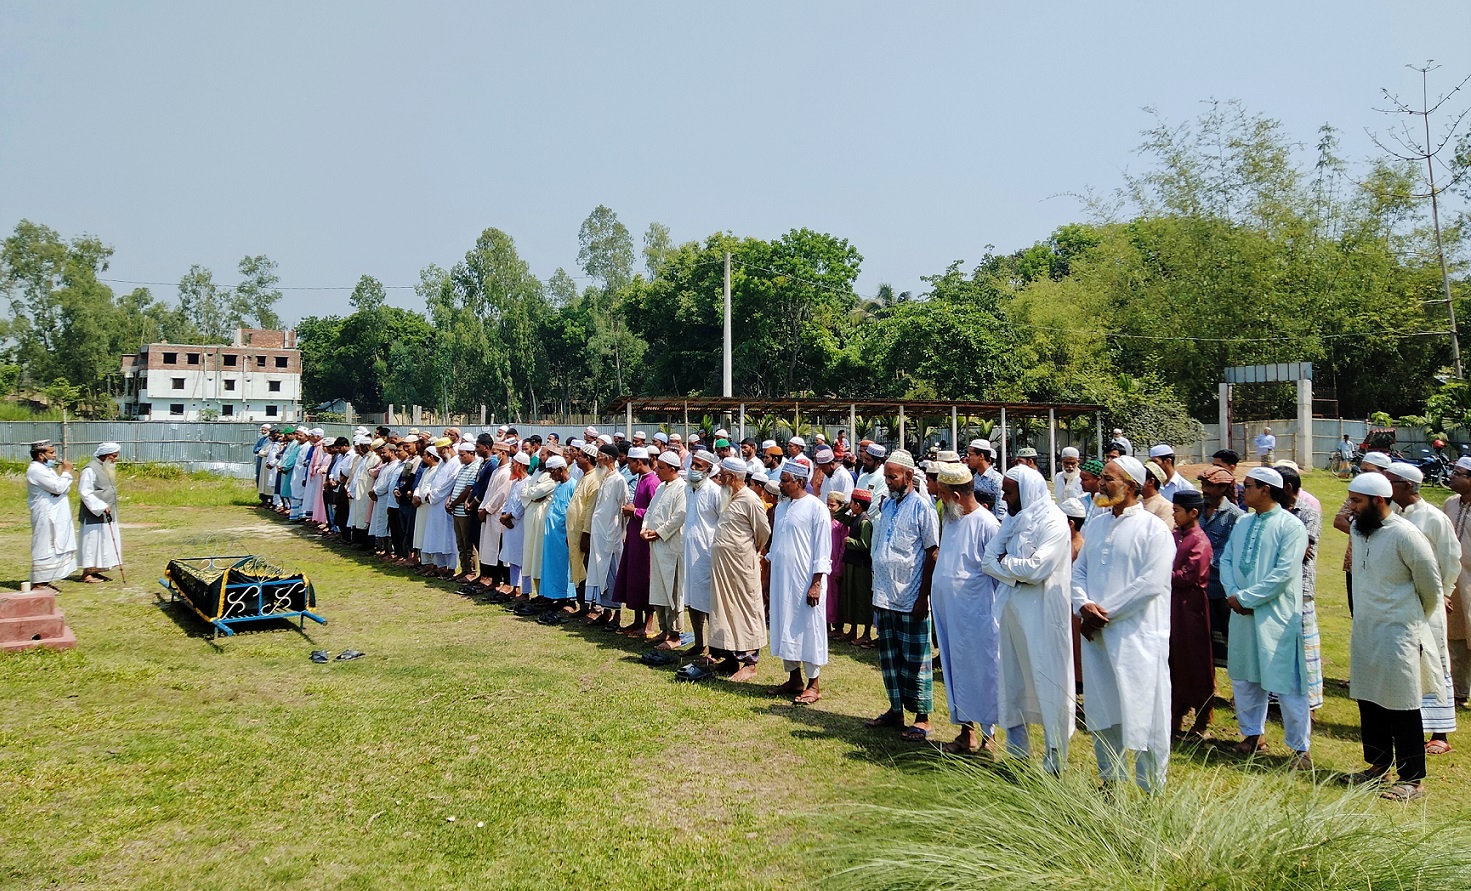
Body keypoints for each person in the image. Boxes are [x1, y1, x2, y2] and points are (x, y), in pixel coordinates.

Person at [1071, 456, 1174, 792]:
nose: (1100, 484)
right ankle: (1110, 782)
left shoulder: (1153, 529)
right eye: (1101, 477)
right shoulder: (1097, 523)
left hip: (1137, 638)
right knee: (1103, 711)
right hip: (1097, 636)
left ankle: (1151, 790)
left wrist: (1101, 614)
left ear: (1131, 486)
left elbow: (1150, 585)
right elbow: (1079, 571)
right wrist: (1082, 605)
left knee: (1144, 713)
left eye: (1109, 479)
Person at [1341, 472, 1444, 801]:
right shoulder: (1359, 530)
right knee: (1369, 699)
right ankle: (1377, 766)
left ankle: (1413, 780)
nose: (1350, 508)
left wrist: (1409, 621)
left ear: (1380, 501)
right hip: (1367, 629)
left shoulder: (1406, 535)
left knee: (1402, 705)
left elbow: (1431, 588)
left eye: (1357, 501)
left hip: (1399, 632)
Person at [984, 464, 1076, 772]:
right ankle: (1018, 755)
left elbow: (1038, 569)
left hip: (1042, 616)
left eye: (1009, 492)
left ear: (1026, 491)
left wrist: (1007, 563)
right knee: (1012, 682)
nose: (1004, 497)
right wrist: (1016, 571)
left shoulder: (1054, 521)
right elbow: (987, 560)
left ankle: (1054, 760)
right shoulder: (1012, 520)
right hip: (1011, 612)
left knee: (1047, 683)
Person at [1219, 466, 1312, 768]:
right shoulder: (1244, 522)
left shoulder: (1291, 526)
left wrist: (1246, 598)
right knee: (1245, 676)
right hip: (1241, 612)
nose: (1241, 491)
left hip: (1276, 615)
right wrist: (1234, 594)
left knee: (1285, 680)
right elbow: (1227, 559)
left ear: (1266, 490)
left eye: (1247, 486)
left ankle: (1300, 749)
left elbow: (1284, 573)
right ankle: (1251, 735)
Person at [864, 450, 941, 742]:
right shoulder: (888, 507)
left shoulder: (923, 508)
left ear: (909, 476)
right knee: (890, 658)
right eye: (886, 477)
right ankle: (896, 711)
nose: (888, 482)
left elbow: (932, 552)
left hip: (911, 598)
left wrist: (923, 597)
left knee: (915, 660)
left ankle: (922, 718)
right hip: (885, 595)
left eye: (892, 477)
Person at [1383, 462, 1459, 755]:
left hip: (1429, 601)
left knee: (1435, 661)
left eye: (1391, 482)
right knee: (1405, 664)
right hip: (1400, 604)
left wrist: (1445, 593)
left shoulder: (1434, 518)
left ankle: (1440, 732)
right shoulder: (1391, 517)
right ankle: (1406, 726)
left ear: (1407, 486)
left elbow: (1451, 559)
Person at [932, 461, 1003, 754]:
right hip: (951, 614)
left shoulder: (988, 524)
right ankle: (966, 732)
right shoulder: (951, 519)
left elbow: (997, 575)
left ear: (957, 496)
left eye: (943, 494)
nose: (940, 500)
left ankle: (989, 738)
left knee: (983, 672)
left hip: (978, 615)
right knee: (956, 670)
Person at [767, 461, 834, 704]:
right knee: (785, 625)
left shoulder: (817, 508)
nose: (780, 484)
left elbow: (823, 550)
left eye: (784, 480)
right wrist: (769, 579)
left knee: (809, 629)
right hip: (782, 581)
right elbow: (775, 547)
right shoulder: (783, 508)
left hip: (806, 581)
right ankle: (794, 678)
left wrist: (816, 583)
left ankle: (813, 684)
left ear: (799, 482)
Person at [706, 456, 773, 682]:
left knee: (746, 610)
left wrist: (747, 550)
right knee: (724, 610)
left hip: (741, 566)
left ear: (732, 477)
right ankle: (729, 657)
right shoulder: (728, 497)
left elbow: (763, 533)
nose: (719, 480)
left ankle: (750, 663)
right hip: (723, 567)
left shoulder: (750, 499)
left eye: (722, 476)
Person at [1169, 490, 1214, 739]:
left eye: (1177, 511)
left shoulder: (1199, 541)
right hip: (1172, 605)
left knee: (1195, 660)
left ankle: (1203, 716)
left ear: (1193, 513)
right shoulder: (1174, 535)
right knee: (1174, 658)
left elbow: (1189, 575)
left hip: (1191, 607)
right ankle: (1175, 713)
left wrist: (1161, 575)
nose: (1174, 515)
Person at [1335, 450, 1393, 616]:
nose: (1362, 475)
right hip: (1355, 563)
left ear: (1385, 473)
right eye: (1362, 470)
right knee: (1358, 614)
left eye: (1368, 471)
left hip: (1382, 568)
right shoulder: (1358, 495)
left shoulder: (1392, 500)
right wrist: (1363, 533)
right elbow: (1339, 520)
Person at [1198, 466, 1244, 666]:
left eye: (1210, 485)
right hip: (1199, 589)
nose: (1205, 489)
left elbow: (1233, 553)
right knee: (1203, 642)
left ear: (1224, 488)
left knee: (1231, 640)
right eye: (1203, 484)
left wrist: (1201, 560)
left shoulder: (1236, 516)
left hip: (1222, 589)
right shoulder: (1197, 510)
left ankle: (1239, 691)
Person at [642, 451, 689, 648]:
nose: (657, 471)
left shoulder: (682, 489)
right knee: (658, 590)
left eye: (661, 468)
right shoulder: (661, 487)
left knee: (673, 590)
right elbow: (651, 510)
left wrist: (659, 532)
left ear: (672, 468)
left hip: (671, 546)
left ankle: (675, 635)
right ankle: (664, 629)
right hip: (656, 545)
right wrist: (645, 527)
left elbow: (679, 516)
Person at [612, 446, 658, 637]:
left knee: (645, 579)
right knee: (633, 579)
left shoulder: (652, 482)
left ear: (639, 462)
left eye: (630, 462)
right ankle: (637, 620)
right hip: (633, 537)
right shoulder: (640, 479)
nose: (627, 466)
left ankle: (648, 624)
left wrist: (635, 512)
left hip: (645, 540)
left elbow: (657, 513)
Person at [586, 444, 629, 627]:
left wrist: (622, 532)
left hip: (611, 534)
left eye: (600, 456)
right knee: (599, 571)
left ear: (609, 459)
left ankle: (617, 615)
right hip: (600, 533)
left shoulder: (619, 480)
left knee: (611, 572)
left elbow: (624, 507)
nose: (597, 460)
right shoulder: (604, 477)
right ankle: (605, 612)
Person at [27, 440, 77, 590]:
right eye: (52, 453)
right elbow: (58, 486)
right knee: (44, 545)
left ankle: (46, 580)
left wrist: (62, 481)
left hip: (57, 514)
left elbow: (63, 488)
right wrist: (67, 472)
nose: (55, 456)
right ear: (41, 455)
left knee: (56, 544)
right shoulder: (36, 470)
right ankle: (39, 583)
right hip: (45, 514)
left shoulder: (47, 469)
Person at [1443, 456, 1471, 709]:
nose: (1452, 476)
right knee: (1455, 636)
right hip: (1454, 579)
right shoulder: (1450, 504)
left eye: (1458, 473)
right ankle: (1459, 692)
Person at [534, 456, 577, 615]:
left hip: (564, 535)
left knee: (566, 567)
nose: (551, 476)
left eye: (552, 472)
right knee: (553, 566)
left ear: (560, 469)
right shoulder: (559, 486)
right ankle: (555, 596)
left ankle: (569, 599)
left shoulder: (573, 485)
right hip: (552, 536)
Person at [565, 443, 604, 612]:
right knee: (578, 568)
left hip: (584, 534)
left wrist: (585, 534)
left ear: (588, 459)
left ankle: (592, 606)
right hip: (575, 532)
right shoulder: (583, 476)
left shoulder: (594, 479)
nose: (576, 458)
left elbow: (590, 510)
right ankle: (582, 606)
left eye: (579, 456)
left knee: (587, 569)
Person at [77, 442, 122, 584]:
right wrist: (101, 506)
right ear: (107, 455)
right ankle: (87, 573)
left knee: (104, 543)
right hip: (94, 515)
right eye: (114, 456)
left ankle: (96, 571)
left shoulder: (106, 467)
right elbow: (84, 491)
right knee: (92, 543)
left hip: (107, 514)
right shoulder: (90, 469)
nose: (115, 459)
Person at [1141, 461, 1175, 529]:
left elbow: (1164, 533)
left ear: (1151, 482)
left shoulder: (1166, 507)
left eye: (1140, 478)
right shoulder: (1138, 502)